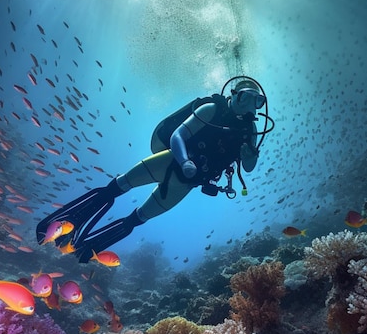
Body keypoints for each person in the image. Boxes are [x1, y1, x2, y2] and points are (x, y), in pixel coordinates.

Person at [35, 76, 272, 262]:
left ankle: (86, 247)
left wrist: (249, 156)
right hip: (171, 161)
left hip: (187, 184)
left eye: (256, 101)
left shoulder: (249, 131)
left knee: (138, 219)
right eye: (245, 97)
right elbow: (179, 134)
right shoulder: (211, 109)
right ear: (234, 94)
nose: (249, 106)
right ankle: (65, 223)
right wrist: (184, 161)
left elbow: (248, 168)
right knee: (117, 187)